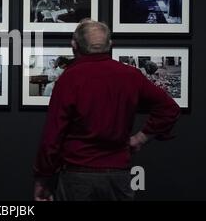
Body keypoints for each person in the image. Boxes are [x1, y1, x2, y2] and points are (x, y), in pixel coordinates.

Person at [33, 19, 180, 201]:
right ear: (110, 45)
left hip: (77, 175)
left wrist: (43, 178)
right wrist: (141, 138)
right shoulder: (130, 76)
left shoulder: (69, 79)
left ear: (74, 46)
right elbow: (169, 108)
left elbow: (52, 135)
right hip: (118, 176)